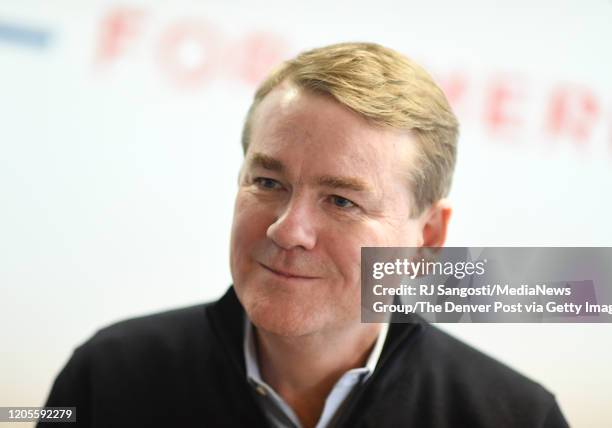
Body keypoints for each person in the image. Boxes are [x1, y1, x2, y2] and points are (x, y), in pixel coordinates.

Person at [40, 42, 569, 427]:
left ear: (427, 238)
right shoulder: (106, 377)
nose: (287, 229)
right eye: (268, 182)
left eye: (342, 200)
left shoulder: (517, 417)